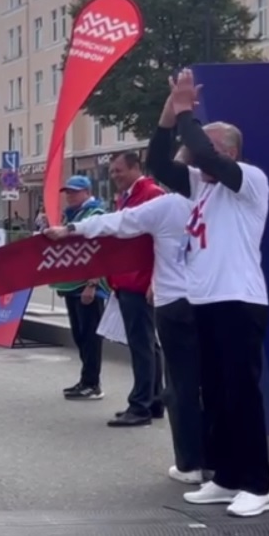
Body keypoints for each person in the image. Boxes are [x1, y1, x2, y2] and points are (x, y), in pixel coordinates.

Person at [148, 69, 269, 518]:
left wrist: (187, 114)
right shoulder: (200, 187)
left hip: (238, 299)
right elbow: (160, 164)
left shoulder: (249, 181)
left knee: (241, 393)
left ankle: (257, 485)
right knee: (214, 393)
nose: (198, 160)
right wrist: (168, 115)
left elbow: (200, 150)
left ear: (231, 153)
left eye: (211, 151)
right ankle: (224, 476)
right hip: (203, 300)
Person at [43, 186, 202, 479]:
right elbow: (120, 222)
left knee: (182, 380)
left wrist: (72, 230)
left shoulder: (165, 201)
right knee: (188, 381)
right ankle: (198, 460)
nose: (114, 177)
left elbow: (118, 223)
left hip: (180, 297)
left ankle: (192, 459)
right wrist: (72, 228)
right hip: (189, 296)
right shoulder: (202, 199)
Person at [104, 151, 166, 426]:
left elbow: (161, 241)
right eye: (112, 172)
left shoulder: (151, 194)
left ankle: (140, 406)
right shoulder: (126, 197)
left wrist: (155, 280)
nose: (114, 176)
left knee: (142, 345)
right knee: (148, 345)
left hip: (139, 281)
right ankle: (153, 402)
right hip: (129, 280)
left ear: (135, 168)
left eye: (119, 170)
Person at [49, 175, 109, 401]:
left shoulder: (95, 215)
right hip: (72, 285)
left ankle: (93, 383)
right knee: (79, 335)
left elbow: (101, 252)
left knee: (91, 336)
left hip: (88, 286)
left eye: (74, 191)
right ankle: (86, 380)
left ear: (86, 192)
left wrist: (92, 283)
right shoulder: (71, 216)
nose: (69, 195)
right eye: (67, 192)